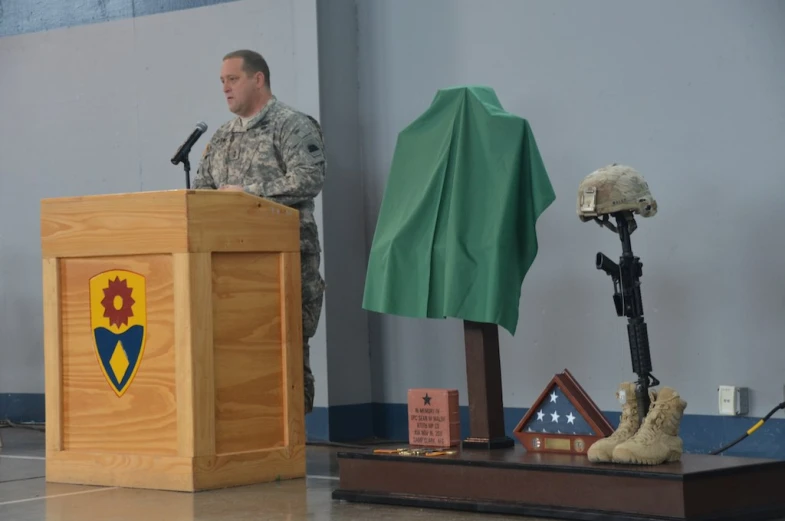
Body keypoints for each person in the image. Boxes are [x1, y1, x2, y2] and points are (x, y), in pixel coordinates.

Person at [194, 49, 326, 415]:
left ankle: (291, 440)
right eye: (221, 81)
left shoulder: (292, 125)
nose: (225, 88)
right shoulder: (221, 138)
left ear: (258, 79)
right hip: (230, 268)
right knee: (238, 352)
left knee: (285, 349)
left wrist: (247, 195)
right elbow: (203, 191)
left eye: (232, 79)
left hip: (284, 261)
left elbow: (310, 178)